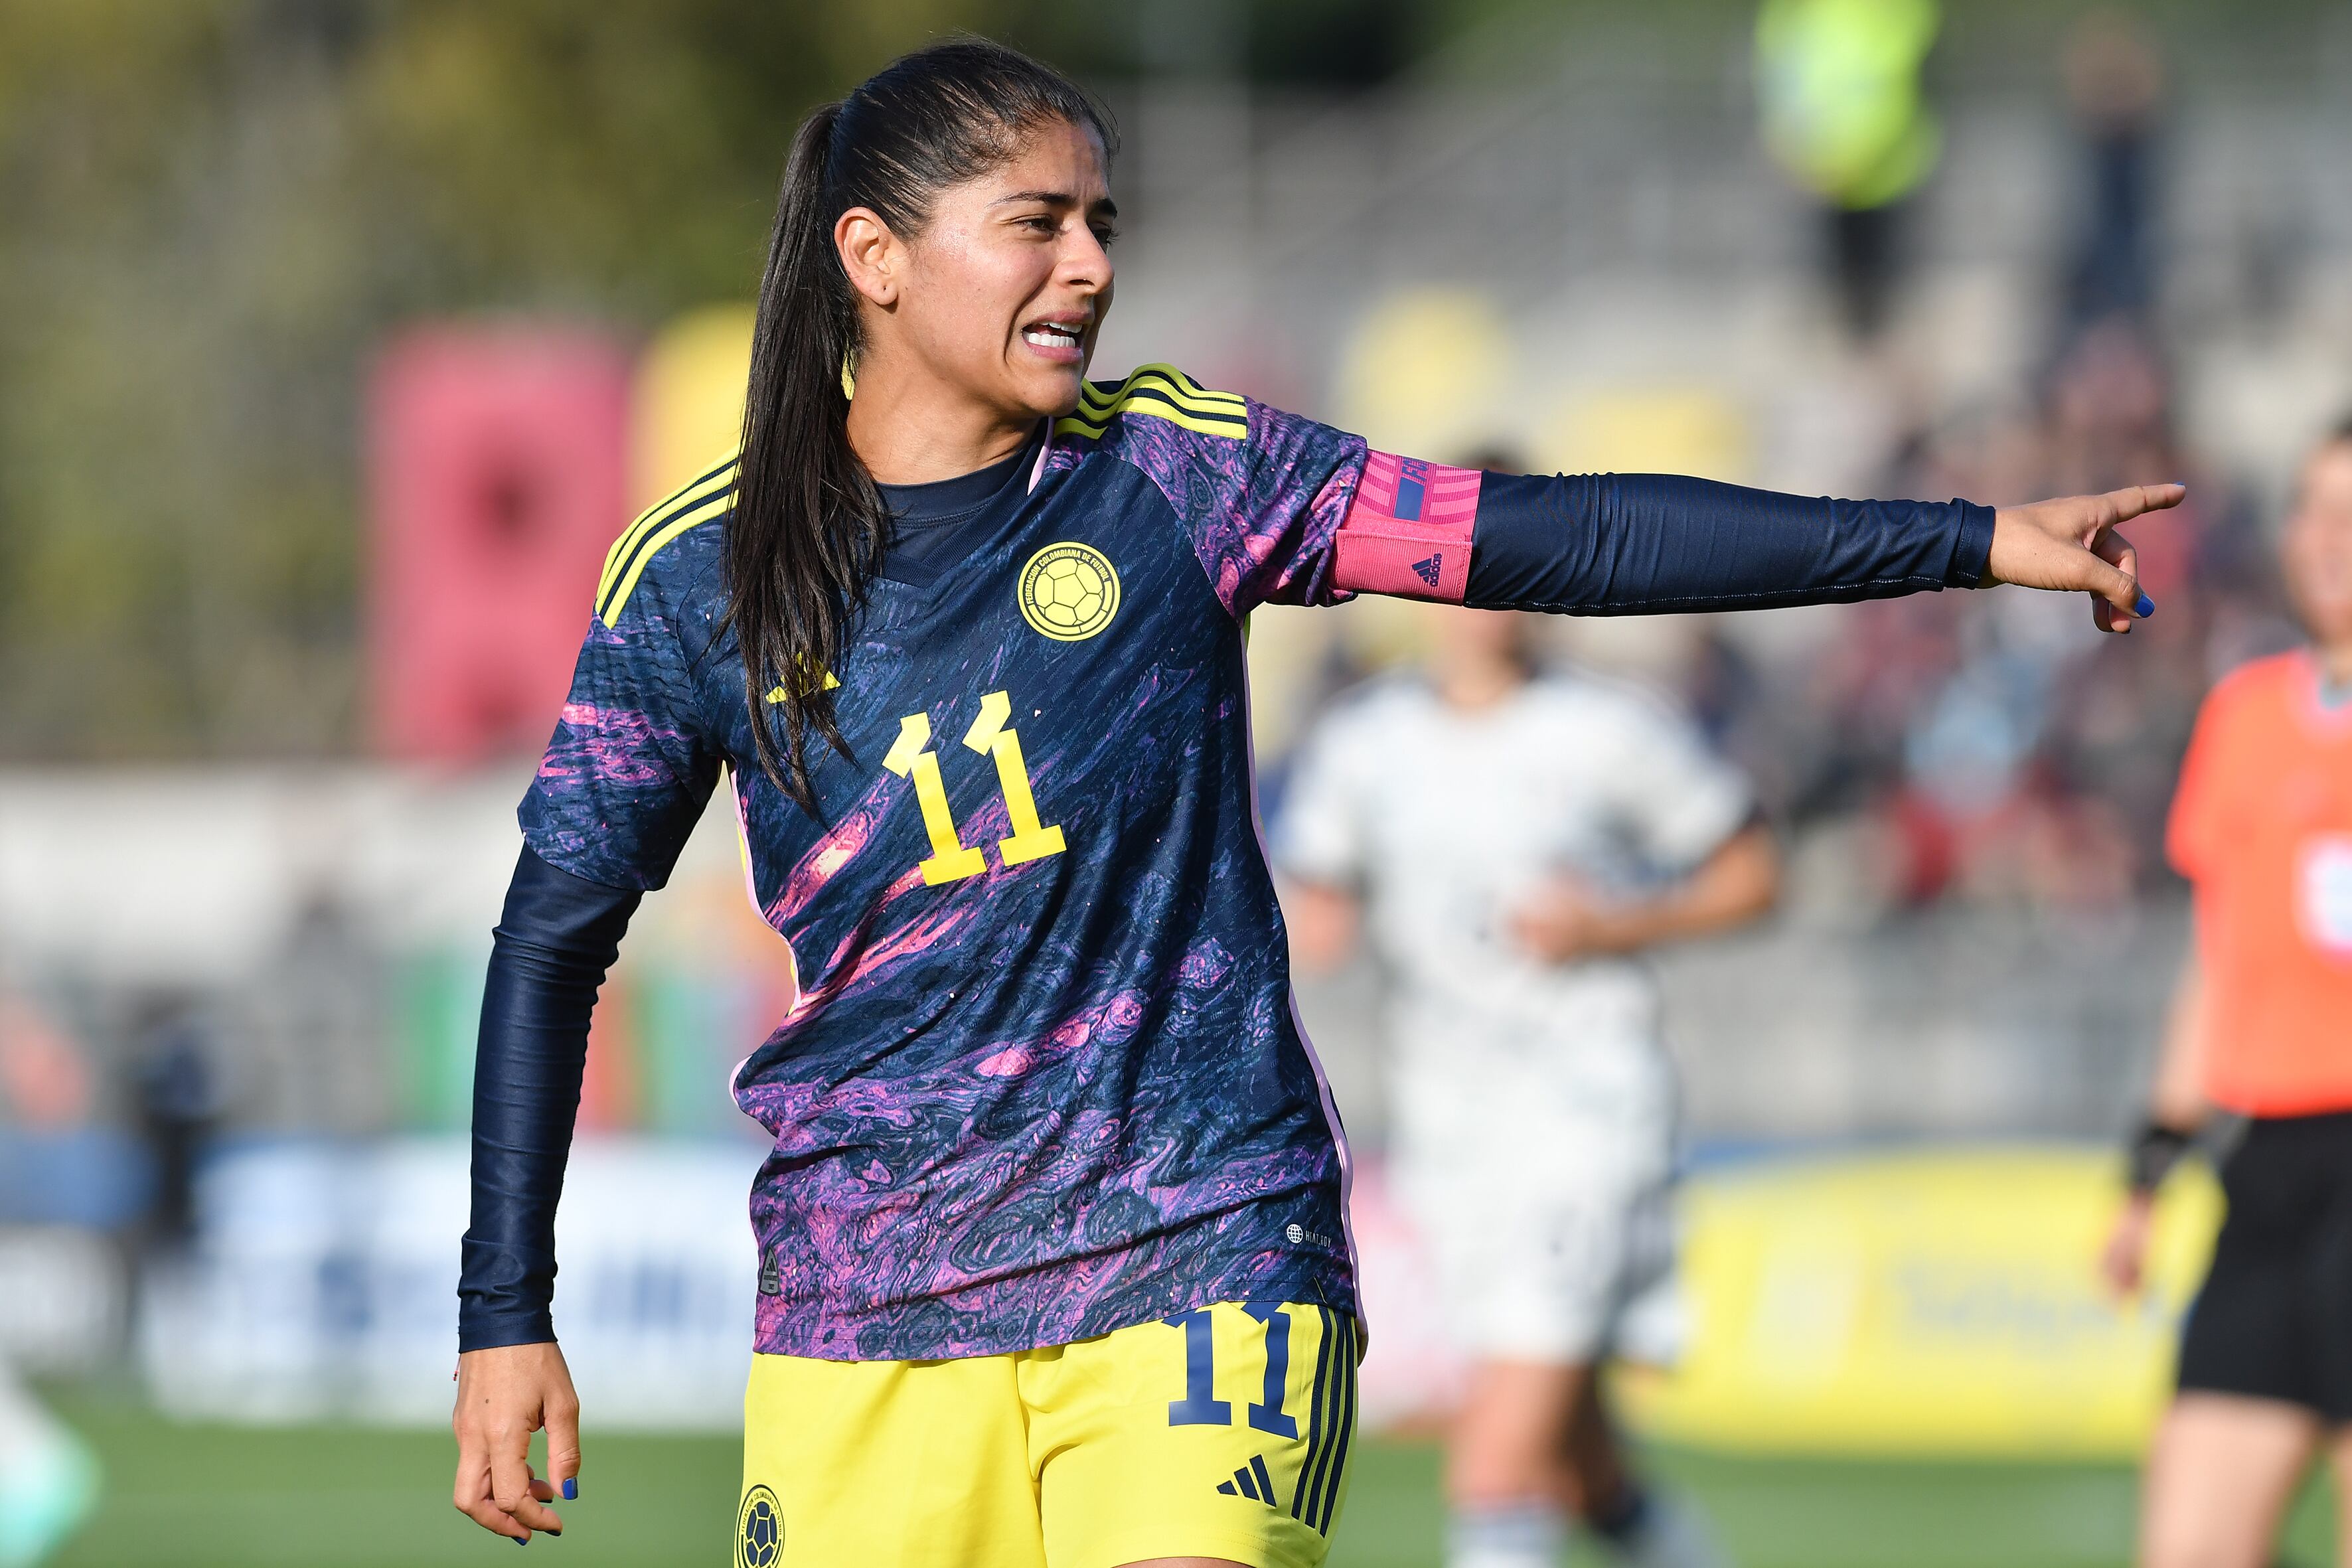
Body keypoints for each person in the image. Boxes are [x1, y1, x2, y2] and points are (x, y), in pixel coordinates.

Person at [449, 37, 2175, 1566]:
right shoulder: (700, 575)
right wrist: (503, 1310)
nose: (1088, 267)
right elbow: (551, 943)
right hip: (864, 1301)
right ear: (874, 258)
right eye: (1035, 222)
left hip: (1199, 1246)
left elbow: (1559, 542)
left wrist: (1962, 540)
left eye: (1104, 223)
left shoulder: (1188, 477)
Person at [1277, 602, 1774, 1568]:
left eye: (1510, 574)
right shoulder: (1365, 742)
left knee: (1498, 1458)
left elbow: (1755, 872)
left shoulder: (1609, 726)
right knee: (1587, 1466)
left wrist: (1611, 926)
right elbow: (1316, 908)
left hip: (1586, 1107)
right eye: (1465, 578)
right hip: (1451, 1127)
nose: (1486, 605)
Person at [2104, 420, 2352, 1568]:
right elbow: (2219, 957)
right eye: (2313, 506)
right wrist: (2154, 1162)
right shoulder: (2247, 711)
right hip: (2272, 1169)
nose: (2330, 538)